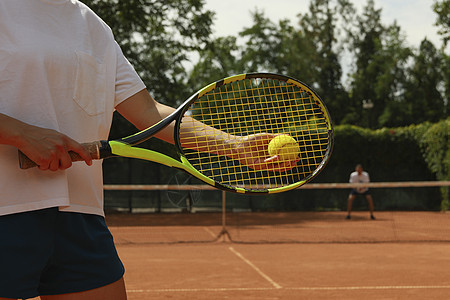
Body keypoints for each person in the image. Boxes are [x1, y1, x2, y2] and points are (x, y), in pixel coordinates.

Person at [0, 1, 295, 299]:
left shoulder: (92, 24)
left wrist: (234, 145)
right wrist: (20, 134)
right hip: (6, 210)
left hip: (81, 214)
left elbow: (150, 112)